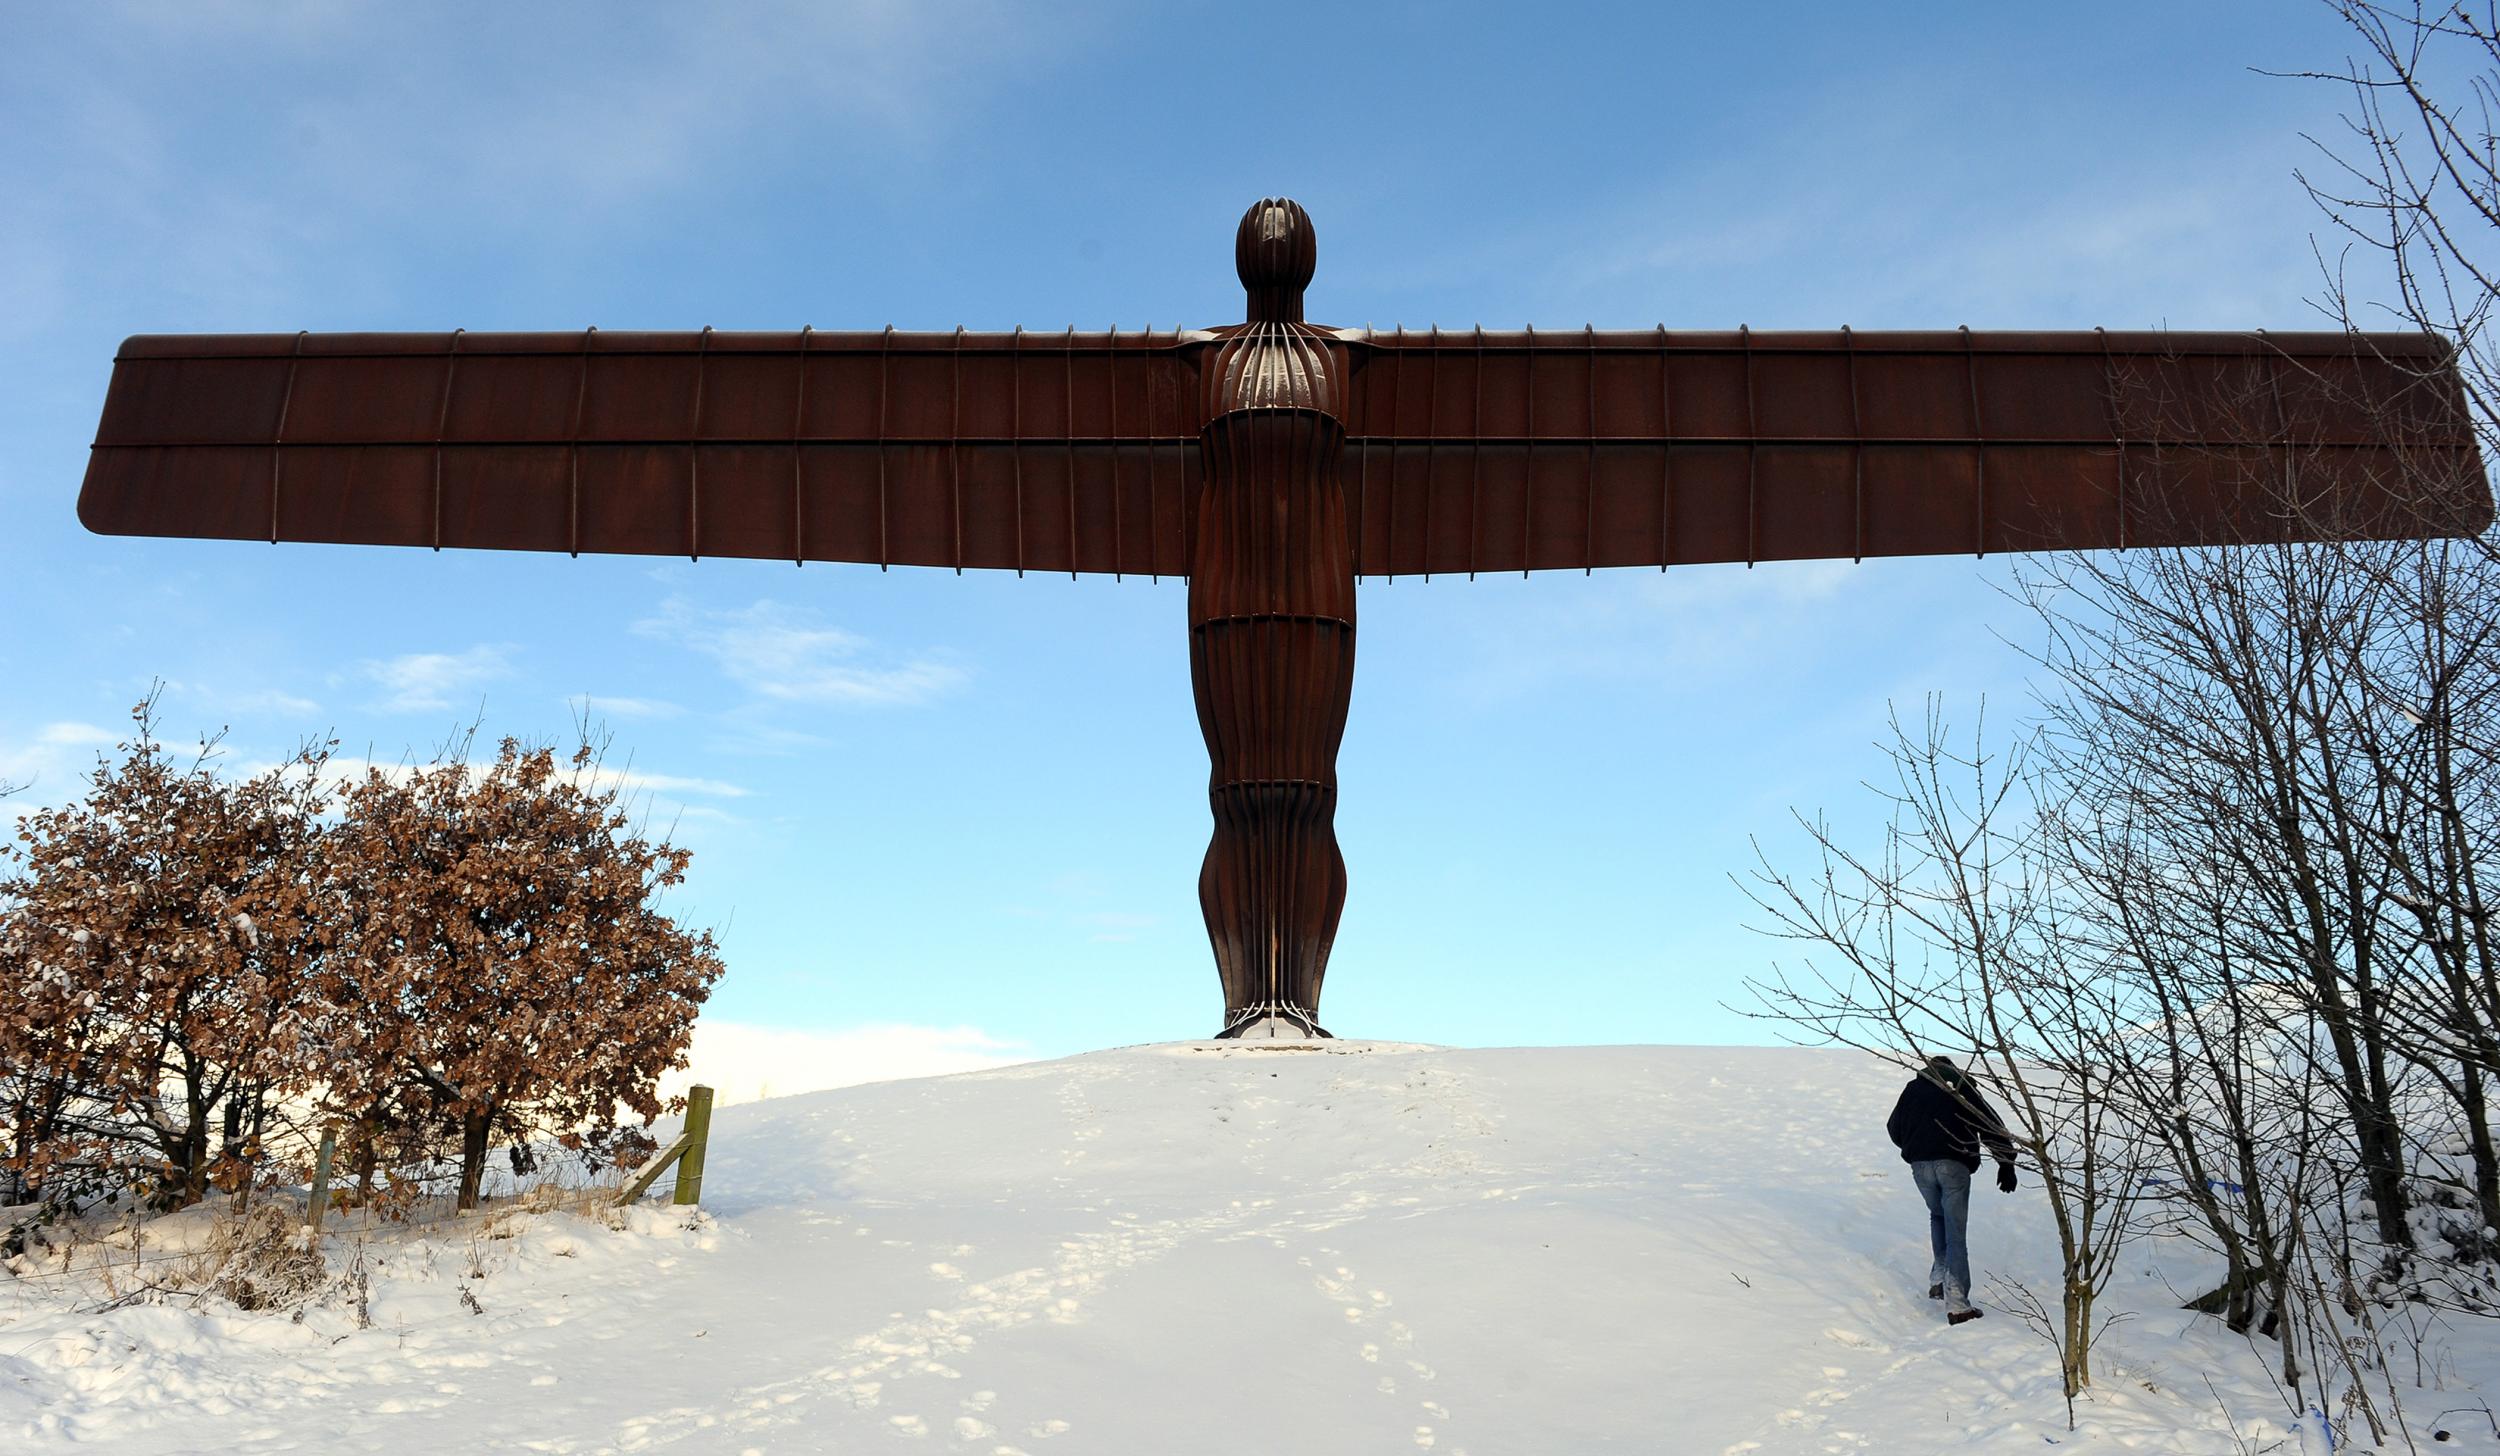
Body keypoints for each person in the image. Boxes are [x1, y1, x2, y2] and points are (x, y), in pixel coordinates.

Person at [1885, 1054, 2018, 1326]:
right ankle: (1957, 1304)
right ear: (1952, 1070)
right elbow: (1989, 1123)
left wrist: (1916, 1146)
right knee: (1955, 1231)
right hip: (1953, 1163)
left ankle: (1938, 1280)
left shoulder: (1912, 1089)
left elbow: (1893, 1127)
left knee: (1938, 1217)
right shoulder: (1960, 1087)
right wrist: (2006, 1163)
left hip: (1920, 1166)